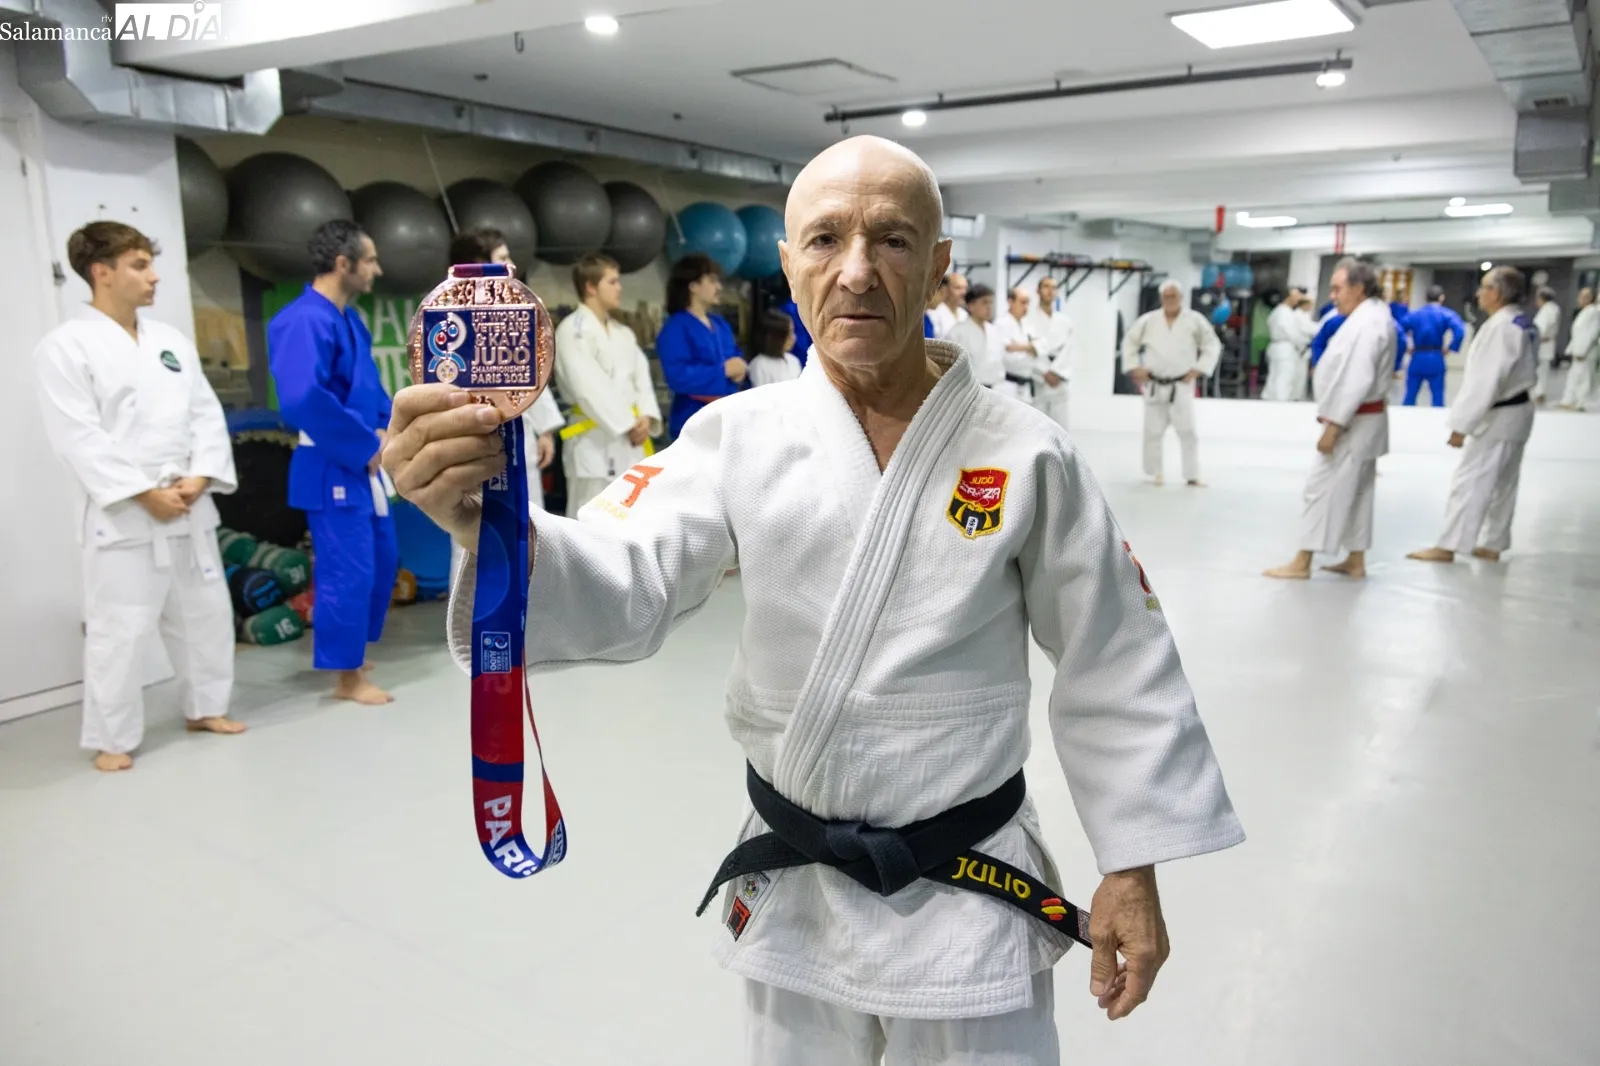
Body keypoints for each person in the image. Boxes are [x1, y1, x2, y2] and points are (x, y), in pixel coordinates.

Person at [382, 134, 1244, 1065]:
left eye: (893, 240)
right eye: (826, 240)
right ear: (789, 265)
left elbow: (1113, 653)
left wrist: (1132, 864)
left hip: (969, 898)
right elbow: (626, 570)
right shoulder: (734, 437)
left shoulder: (1028, 452)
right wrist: (486, 524)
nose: (857, 271)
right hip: (798, 894)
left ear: (939, 266)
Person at [36, 221, 244, 772]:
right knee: (120, 630)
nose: (154, 277)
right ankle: (113, 737)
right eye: (139, 265)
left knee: (204, 615)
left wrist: (200, 476)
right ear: (101, 272)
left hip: (188, 505)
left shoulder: (170, 342)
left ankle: (206, 707)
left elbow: (204, 414)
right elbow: (77, 437)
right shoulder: (65, 347)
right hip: (124, 515)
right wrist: (142, 492)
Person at [267, 220, 398, 706]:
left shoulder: (350, 319)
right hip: (331, 464)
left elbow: (370, 388)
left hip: (362, 460)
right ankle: (346, 676)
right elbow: (303, 398)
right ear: (343, 264)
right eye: (371, 260)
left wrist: (385, 428)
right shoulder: (303, 320)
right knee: (348, 571)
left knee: (381, 558)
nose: (378, 270)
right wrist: (364, 445)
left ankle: (352, 650)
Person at [1264, 258, 1396, 581]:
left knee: (1320, 488)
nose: (1333, 296)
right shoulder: (1371, 316)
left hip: (1352, 421)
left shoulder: (1368, 324)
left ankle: (1302, 561)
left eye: (1338, 289)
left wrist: (1334, 427)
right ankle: (1355, 559)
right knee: (1359, 491)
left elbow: (1357, 379)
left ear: (1358, 289)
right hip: (1362, 420)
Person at [1407, 268, 1538, 565]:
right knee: (1505, 482)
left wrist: (1461, 426)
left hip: (1499, 414)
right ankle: (1493, 543)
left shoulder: (1501, 327)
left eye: (1484, 287)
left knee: (1471, 481)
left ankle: (1449, 545)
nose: (1478, 293)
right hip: (1517, 411)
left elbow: (1486, 381)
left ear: (1497, 292)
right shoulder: (1521, 320)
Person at [448, 226, 563, 508]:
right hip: (471, 434)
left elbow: (529, 374)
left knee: (528, 515)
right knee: (475, 519)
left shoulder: (513, 309)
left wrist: (545, 429)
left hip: (516, 432)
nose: (511, 265)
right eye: (502, 258)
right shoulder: (448, 315)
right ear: (479, 264)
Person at [554, 253, 663, 515]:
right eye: (612, 282)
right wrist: (626, 423)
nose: (620, 288)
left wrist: (645, 416)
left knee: (633, 515)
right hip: (593, 442)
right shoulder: (572, 330)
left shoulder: (623, 333)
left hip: (631, 441)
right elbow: (586, 386)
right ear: (591, 287)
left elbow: (641, 379)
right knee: (589, 517)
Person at [1120, 279, 1221, 486]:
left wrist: (1199, 369)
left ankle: (1192, 474)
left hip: (1181, 384)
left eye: (1173, 296)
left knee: (1188, 431)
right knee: (1152, 432)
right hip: (1154, 384)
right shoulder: (1149, 320)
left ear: (1181, 297)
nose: (1170, 300)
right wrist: (1134, 366)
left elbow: (1212, 344)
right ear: (1161, 298)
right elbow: (1129, 342)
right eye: (1166, 296)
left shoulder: (1194, 320)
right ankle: (1155, 472)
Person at [655, 253, 746, 439]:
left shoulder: (720, 324)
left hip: (726, 414)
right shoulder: (676, 327)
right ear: (693, 286)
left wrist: (740, 368)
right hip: (692, 418)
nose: (719, 287)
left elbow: (735, 356)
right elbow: (677, 376)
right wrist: (723, 370)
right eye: (712, 281)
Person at [1399, 286, 1466, 407]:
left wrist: (1406, 346)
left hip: (1417, 356)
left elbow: (1398, 329)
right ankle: (1438, 418)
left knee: (1410, 396)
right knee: (1437, 396)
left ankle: (1405, 417)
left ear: (1426, 298)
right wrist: (1451, 348)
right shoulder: (1446, 314)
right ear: (1441, 298)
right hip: (1436, 356)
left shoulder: (1415, 314)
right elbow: (1460, 331)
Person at [1025, 275, 1074, 428]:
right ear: (1037, 291)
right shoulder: (1028, 319)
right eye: (1046, 287)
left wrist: (1056, 372)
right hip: (1039, 379)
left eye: (1053, 287)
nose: (1050, 291)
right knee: (1037, 428)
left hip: (1059, 380)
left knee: (1060, 428)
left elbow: (1069, 350)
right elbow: (1029, 348)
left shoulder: (1065, 322)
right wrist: (1044, 372)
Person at [945, 283, 1006, 389]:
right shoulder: (958, 332)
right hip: (968, 389)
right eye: (984, 302)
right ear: (971, 306)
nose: (989, 307)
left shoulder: (994, 330)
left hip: (994, 388)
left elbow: (999, 363)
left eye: (991, 302)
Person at [993, 285, 1045, 403]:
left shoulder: (1028, 325)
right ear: (1010, 302)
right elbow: (1008, 354)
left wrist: (1018, 347)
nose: (1026, 307)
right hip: (1007, 385)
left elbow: (1042, 347)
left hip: (1026, 385)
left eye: (1027, 303)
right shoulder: (1001, 323)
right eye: (1022, 302)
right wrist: (1030, 347)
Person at [1263, 287, 1316, 402]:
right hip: (1285, 348)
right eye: (1295, 296)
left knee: (1274, 376)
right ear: (1288, 297)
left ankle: (1269, 400)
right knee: (1284, 377)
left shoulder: (1277, 311)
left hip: (1276, 346)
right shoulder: (1285, 313)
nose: (1297, 299)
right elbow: (1293, 334)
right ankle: (1280, 402)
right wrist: (1303, 346)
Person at [1559, 287, 1599, 411]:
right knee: (1575, 376)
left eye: (1583, 296)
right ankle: (1569, 401)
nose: (1580, 299)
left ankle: (1581, 403)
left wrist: (1582, 351)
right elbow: (1578, 333)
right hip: (1579, 351)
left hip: (1586, 352)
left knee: (1584, 378)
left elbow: (1591, 333)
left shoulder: (1593, 312)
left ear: (1590, 298)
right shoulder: (1585, 311)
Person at [747, 308, 803, 387]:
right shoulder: (759, 365)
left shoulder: (794, 361)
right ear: (775, 339)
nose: (794, 338)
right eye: (789, 335)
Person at [1531, 286, 1560, 403]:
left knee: (1541, 371)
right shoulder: (1552, 308)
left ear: (1542, 298)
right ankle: (1539, 393)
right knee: (1542, 370)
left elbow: (1541, 330)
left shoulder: (1548, 310)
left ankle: (1539, 394)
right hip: (1545, 344)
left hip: (1543, 344)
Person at [926, 271, 968, 338]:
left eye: (965, 288)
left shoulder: (964, 314)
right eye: (958, 288)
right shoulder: (933, 311)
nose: (963, 292)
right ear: (946, 289)